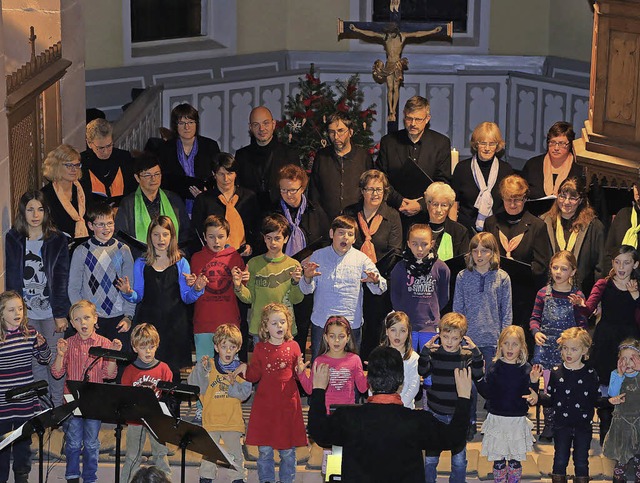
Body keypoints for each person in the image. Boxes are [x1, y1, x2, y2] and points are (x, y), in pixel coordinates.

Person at [308, 345, 472, 482]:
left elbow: (318, 431)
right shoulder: (418, 421)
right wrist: (464, 397)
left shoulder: (348, 417)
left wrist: (318, 390)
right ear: (401, 382)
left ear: (369, 382)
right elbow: (455, 437)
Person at [116, 216, 207, 383]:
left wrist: (197, 288)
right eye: (156, 235)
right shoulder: (141, 263)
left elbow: (187, 298)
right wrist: (128, 292)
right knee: (148, 374)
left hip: (174, 327)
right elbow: (138, 296)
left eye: (165, 234)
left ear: (172, 236)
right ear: (150, 236)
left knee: (172, 375)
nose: (161, 239)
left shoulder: (181, 262)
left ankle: (173, 409)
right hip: (150, 325)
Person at [5, 190, 70, 407]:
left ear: (46, 212)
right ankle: (42, 409)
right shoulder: (13, 237)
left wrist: (61, 314)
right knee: (35, 362)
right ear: (23, 211)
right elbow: (12, 277)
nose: (35, 215)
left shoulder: (58, 239)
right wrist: (12, 313)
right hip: (26, 313)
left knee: (54, 360)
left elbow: (61, 278)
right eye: (30, 209)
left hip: (51, 312)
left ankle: (58, 406)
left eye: (40, 209)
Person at [570, 244, 640, 443]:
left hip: (629, 341)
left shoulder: (637, 285)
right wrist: (580, 305)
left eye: (626, 262)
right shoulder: (603, 283)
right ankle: (605, 426)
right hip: (606, 338)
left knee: (628, 383)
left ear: (635, 264)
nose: (621, 266)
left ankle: (626, 431)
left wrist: (636, 297)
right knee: (605, 383)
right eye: (617, 262)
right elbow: (589, 309)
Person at [234, 303, 307, 483]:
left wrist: (301, 372)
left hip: (288, 405)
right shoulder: (260, 349)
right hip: (265, 405)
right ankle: (266, 479)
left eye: (282, 322)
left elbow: (299, 377)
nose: (279, 326)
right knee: (265, 450)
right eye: (274, 323)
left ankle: (286, 480)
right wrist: (245, 368)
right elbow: (254, 375)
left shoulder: (294, 346)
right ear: (265, 326)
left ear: (288, 324)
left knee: (288, 451)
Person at [51, 300, 121, 483]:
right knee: (73, 442)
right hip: (72, 402)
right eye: (77, 319)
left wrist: (112, 355)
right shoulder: (68, 344)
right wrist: (60, 354)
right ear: (72, 323)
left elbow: (109, 374)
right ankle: (72, 476)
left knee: (91, 443)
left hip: (94, 403)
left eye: (87, 318)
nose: (83, 323)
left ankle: (90, 477)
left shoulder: (104, 343)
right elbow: (57, 373)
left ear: (95, 319)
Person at [299, 215, 387, 360]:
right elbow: (305, 289)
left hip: (351, 324)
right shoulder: (318, 256)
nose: (345, 237)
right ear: (332, 234)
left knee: (349, 371)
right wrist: (307, 277)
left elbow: (381, 287)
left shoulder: (362, 258)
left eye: (350, 234)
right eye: (341, 233)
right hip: (322, 323)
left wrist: (375, 281)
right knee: (320, 368)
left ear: (354, 239)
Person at [453, 232, 512, 439]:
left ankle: (493, 423)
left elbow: (506, 311)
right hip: (468, 340)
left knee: (490, 384)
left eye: (484, 251)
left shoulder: (502, 277)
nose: (479, 255)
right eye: (475, 250)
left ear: (493, 253)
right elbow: (457, 310)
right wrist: (458, 337)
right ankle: (468, 422)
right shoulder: (462, 276)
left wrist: (504, 341)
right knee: (467, 386)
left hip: (492, 340)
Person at [419, 312, 485, 483]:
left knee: (459, 461)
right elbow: (422, 371)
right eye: (445, 336)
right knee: (431, 459)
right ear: (439, 334)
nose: (449, 341)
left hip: (458, 416)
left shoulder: (466, 356)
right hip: (435, 414)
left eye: (454, 338)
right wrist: (425, 352)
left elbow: (478, 375)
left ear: (462, 338)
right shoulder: (434, 354)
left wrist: (476, 353)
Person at [343, 169, 402, 359]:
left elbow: (395, 250)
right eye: (370, 189)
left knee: (375, 327)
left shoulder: (392, 216)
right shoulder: (350, 213)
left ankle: (370, 363)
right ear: (362, 191)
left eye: (379, 189)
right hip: (352, 281)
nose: (375, 194)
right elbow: (341, 245)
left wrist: (375, 276)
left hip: (380, 281)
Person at [484, 175, 552, 338]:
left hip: (523, 296)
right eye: (508, 199)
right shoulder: (492, 223)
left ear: (525, 198)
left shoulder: (537, 225)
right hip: (495, 294)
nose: (513, 204)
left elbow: (542, 265)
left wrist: (517, 270)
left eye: (518, 199)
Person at [529, 251, 587, 441]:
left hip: (567, 350)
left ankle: (565, 421)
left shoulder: (577, 295)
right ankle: (549, 422)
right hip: (545, 347)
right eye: (555, 267)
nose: (558, 272)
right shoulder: (542, 293)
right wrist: (536, 331)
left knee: (567, 386)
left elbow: (583, 325)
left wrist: (580, 306)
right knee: (547, 387)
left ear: (572, 271)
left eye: (564, 268)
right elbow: (534, 318)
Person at [68, 203, 135, 369]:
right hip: (93, 319)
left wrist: (128, 316)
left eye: (110, 223)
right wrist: (85, 316)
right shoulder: (82, 251)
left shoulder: (123, 250)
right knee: (93, 367)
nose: (106, 228)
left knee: (118, 367)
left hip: (118, 319)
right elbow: (74, 288)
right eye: (100, 224)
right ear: (90, 226)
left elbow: (130, 288)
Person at [274, 163, 330, 355]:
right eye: (283, 190)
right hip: (279, 276)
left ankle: (297, 366)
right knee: (279, 322)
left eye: (293, 190)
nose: (288, 194)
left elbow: (325, 243)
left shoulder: (316, 212)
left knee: (302, 322)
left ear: (303, 188)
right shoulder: (273, 211)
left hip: (306, 277)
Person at [476, 325, 541, 483]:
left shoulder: (526, 369)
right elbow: (487, 393)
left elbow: (531, 396)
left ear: (522, 347)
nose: (510, 348)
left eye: (515, 344)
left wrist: (534, 384)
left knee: (514, 459)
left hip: (516, 420)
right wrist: (478, 377)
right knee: (498, 459)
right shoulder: (494, 367)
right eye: (506, 343)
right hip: (497, 419)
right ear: (500, 345)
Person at [188, 324, 251, 483]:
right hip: (211, 421)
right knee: (209, 455)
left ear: (238, 348)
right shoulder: (208, 365)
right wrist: (200, 370)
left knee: (236, 455)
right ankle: (206, 478)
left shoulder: (241, 369)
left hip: (232, 421)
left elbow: (244, 394)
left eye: (232, 347)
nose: (228, 351)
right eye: (224, 347)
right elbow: (194, 386)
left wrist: (233, 384)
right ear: (216, 347)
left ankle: (237, 479)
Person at [538, 327, 602, 483]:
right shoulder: (555, 372)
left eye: (574, 349)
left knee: (581, 460)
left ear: (584, 350)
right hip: (561, 425)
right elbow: (550, 400)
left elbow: (595, 399)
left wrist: (609, 401)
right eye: (565, 348)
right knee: (560, 459)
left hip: (583, 426)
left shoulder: (590, 374)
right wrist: (537, 396)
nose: (568, 353)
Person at [377, 95, 452, 227]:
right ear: (404, 116)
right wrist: (399, 201)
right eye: (409, 118)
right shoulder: (389, 142)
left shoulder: (440, 143)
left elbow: (443, 181)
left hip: (428, 214)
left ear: (427, 119)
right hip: (393, 213)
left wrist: (421, 204)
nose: (413, 124)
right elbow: (381, 178)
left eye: (418, 119)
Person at [0, 291, 51, 483]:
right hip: (3, 403)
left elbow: (45, 359)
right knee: (3, 449)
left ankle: (22, 478)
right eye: (11, 309)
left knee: (23, 448)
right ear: (1, 313)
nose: (17, 313)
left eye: (20, 308)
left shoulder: (30, 333)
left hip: (25, 402)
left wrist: (43, 344)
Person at [232, 214, 304, 343]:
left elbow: (296, 299)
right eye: (269, 238)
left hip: (284, 329)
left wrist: (296, 282)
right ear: (264, 238)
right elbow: (249, 298)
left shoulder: (294, 265)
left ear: (286, 238)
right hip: (260, 329)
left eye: (277, 238)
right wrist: (238, 286)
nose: (273, 243)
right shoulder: (254, 263)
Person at [120, 324, 173, 483]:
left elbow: (169, 397)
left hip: (157, 420)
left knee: (161, 455)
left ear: (157, 346)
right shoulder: (129, 370)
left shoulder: (164, 369)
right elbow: (124, 397)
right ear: (135, 348)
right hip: (135, 421)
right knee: (132, 456)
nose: (148, 351)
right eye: (143, 347)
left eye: (152, 346)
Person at [540, 176, 605, 296]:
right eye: (562, 196)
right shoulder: (544, 222)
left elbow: (600, 267)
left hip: (580, 295)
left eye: (573, 198)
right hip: (549, 294)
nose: (566, 202)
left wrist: (597, 299)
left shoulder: (594, 227)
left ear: (581, 200)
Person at [390, 224, 450, 351]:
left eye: (424, 244)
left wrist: (431, 311)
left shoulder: (441, 268)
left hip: (430, 326)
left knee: (427, 362)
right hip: (406, 326)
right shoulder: (400, 268)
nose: (420, 249)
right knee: (406, 360)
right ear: (408, 243)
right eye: (415, 244)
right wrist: (402, 316)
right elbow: (395, 295)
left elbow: (444, 297)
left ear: (432, 243)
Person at [115, 155, 190, 256]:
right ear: (137, 178)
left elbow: (185, 231)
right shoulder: (128, 203)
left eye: (157, 174)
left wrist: (176, 253)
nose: (153, 179)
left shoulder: (173, 199)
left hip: (173, 257)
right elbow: (122, 236)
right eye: (147, 175)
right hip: (140, 259)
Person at [308, 112, 374, 221]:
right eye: (331, 132)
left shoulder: (363, 156)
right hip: (326, 221)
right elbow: (314, 193)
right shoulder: (322, 156)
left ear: (350, 132)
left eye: (340, 131)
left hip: (357, 221)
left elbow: (370, 189)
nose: (336, 136)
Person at [190, 152, 259, 257]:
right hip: (213, 259)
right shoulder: (203, 200)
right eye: (221, 174)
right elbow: (197, 233)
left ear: (236, 173)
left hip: (245, 257)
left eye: (230, 173)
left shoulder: (249, 197)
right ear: (214, 174)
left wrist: (251, 246)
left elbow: (256, 229)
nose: (226, 179)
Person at [452, 122, 514, 236]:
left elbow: (511, 204)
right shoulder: (462, 168)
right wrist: (453, 232)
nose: (487, 148)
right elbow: (453, 203)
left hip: (497, 231)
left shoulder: (506, 170)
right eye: (483, 143)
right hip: (465, 232)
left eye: (492, 144)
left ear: (497, 145)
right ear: (476, 144)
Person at [159, 103, 221, 215]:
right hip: (175, 206)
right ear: (175, 125)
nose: (187, 127)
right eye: (182, 123)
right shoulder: (165, 149)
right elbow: (164, 180)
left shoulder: (210, 146)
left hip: (207, 204)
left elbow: (218, 174)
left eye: (191, 122)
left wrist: (207, 192)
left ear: (196, 124)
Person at [234, 106, 300, 209]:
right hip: (250, 218)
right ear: (250, 127)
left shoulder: (290, 154)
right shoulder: (241, 156)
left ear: (273, 124)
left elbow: (295, 189)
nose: (261, 128)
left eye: (266, 123)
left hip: (282, 216)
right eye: (256, 124)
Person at [298, 316, 368, 413]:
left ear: (348, 338)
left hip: (347, 413)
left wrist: (372, 371)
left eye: (341, 336)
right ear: (325, 337)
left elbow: (362, 388)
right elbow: (310, 389)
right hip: (325, 412)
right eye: (332, 336)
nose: (337, 340)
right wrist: (301, 374)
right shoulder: (319, 361)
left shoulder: (355, 359)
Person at [603, 339, 640, 483]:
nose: (628, 363)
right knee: (622, 452)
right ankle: (619, 476)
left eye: (632, 358)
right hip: (622, 422)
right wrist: (619, 375)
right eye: (623, 358)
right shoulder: (616, 374)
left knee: (638, 453)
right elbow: (612, 393)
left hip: (638, 421)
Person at [521, 121, 584, 202]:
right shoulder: (532, 165)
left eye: (562, 143)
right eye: (552, 142)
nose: (556, 148)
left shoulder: (579, 169)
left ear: (570, 145)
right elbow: (521, 193)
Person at [80, 118, 136, 208]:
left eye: (109, 145)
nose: (106, 152)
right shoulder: (82, 162)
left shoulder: (124, 157)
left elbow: (131, 192)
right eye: (101, 148)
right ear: (89, 143)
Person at [41, 144, 90, 239]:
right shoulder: (46, 195)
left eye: (76, 165)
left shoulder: (83, 188)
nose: (74, 169)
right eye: (69, 165)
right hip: (60, 247)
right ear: (56, 166)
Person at [380, 311, 420, 408]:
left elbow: (413, 387)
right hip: (382, 408)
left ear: (408, 332)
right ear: (386, 331)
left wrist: (400, 405)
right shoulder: (379, 355)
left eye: (402, 331)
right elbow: (373, 386)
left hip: (405, 409)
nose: (397, 335)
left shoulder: (413, 358)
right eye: (393, 330)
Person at [424, 182, 469, 260]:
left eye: (444, 205)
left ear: (450, 207)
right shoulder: (415, 227)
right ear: (428, 205)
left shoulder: (460, 231)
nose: (439, 210)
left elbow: (463, 262)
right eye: (435, 204)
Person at [605, 182, 640, 272]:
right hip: (617, 280)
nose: (637, 191)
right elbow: (609, 251)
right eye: (636, 186)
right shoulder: (623, 214)